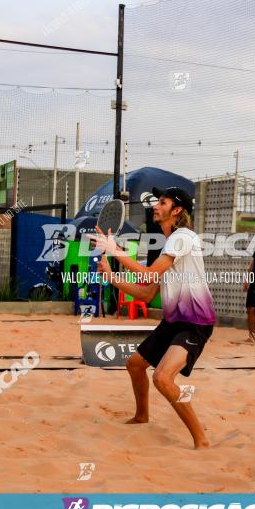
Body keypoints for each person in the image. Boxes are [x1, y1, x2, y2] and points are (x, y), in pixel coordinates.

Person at [93, 187, 216, 449]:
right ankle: (141, 416)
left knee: (162, 378)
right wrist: (112, 277)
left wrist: (115, 251)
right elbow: (147, 294)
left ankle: (201, 439)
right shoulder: (169, 244)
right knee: (135, 365)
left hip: (195, 322)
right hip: (173, 322)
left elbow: (148, 275)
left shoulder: (183, 236)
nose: (155, 206)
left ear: (177, 210)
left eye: (162, 202)